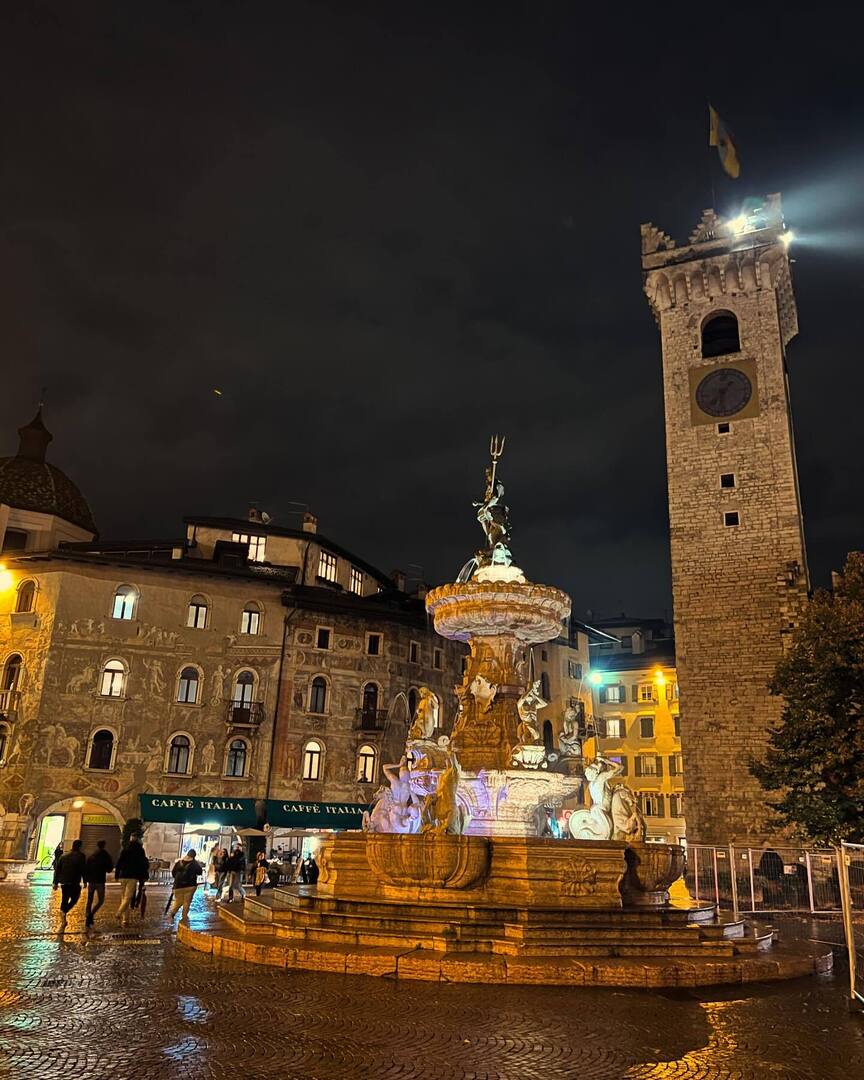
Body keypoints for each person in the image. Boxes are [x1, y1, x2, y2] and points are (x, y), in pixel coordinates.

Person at [115, 833, 150, 926]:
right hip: (133, 876)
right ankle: (119, 913)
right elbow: (143, 864)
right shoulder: (140, 850)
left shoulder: (125, 849)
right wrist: (143, 876)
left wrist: (117, 874)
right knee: (128, 897)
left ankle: (125, 919)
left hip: (123, 875)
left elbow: (119, 862)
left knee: (124, 897)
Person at [53, 839, 87, 932]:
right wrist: (85, 881)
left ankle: (63, 918)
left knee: (64, 899)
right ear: (80, 846)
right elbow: (83, 869)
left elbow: (57, 869)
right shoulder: (81, 856)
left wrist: (55, 882)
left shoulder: (64, 855)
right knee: (75, 899)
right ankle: (64, 912)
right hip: (74, 882)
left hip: (64, 882)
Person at [84, 840, 115, 930]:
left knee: (89, 900)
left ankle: (88, 916)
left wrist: (86, 880)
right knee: (100, 900)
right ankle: (91, 915)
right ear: (104, 846)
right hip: (100, 881)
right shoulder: (106, 856)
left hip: (91, 881)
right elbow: (109, 868)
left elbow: (87, 868)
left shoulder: (92, 856)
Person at [169, 848, 203, 923]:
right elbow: (200, 872)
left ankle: (173, 913)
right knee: (187, 902)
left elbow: (173, 873)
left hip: (178, 886)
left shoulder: (179, 862)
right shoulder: (195, 863)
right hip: (190, 886)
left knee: (178, 901)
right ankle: (184, 916)